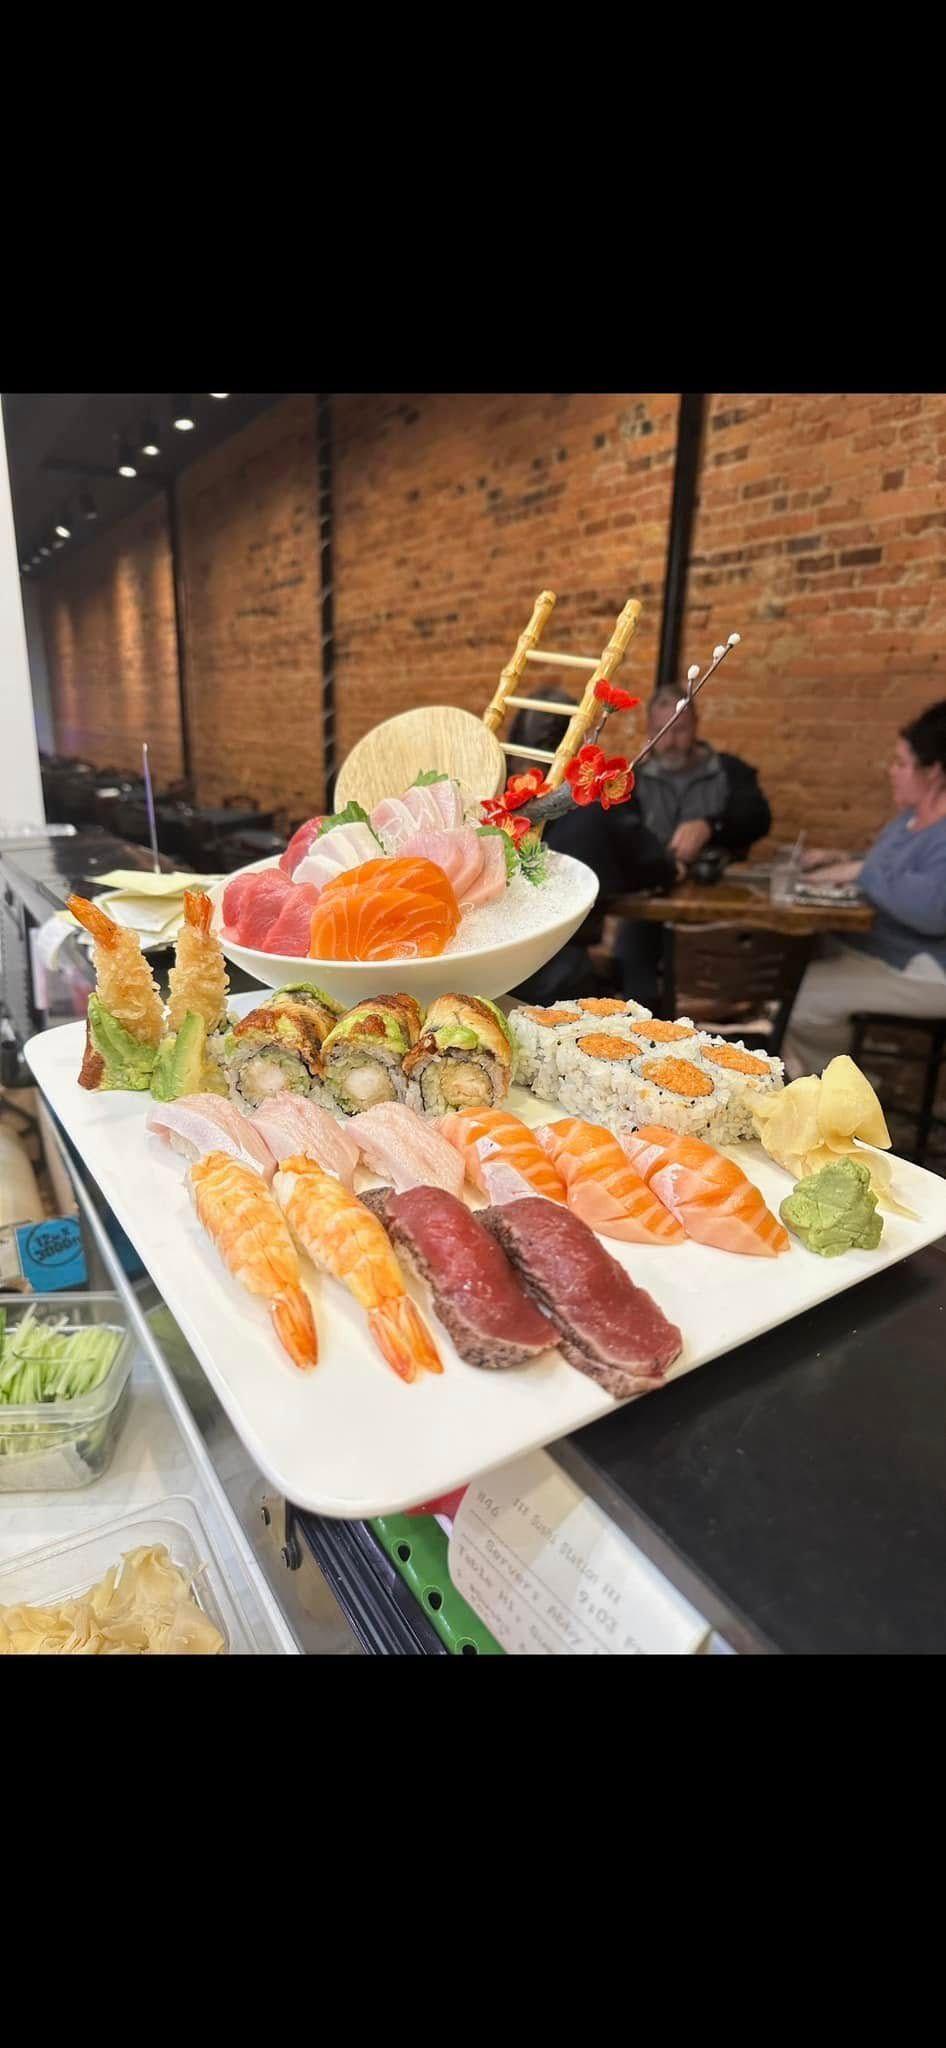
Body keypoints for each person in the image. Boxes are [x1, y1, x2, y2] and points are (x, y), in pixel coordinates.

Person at [782, 701, 946, 1075]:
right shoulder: (909, 820)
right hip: (884, 955)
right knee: (788, 976)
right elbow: (892, 870)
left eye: (901, 763)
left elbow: (933, 909)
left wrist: (861, 869)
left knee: (799, 1000)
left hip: (929, 971)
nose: (892, 772)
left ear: (934, 771)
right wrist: (842, 860)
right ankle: (839, 1084)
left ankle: (849, 1100)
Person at [616, 686, 772, 1009]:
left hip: (716, 903)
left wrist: (711, 826)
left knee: (720, 994)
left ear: (696, 725)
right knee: (635, 981)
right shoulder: (632, 778)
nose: (670, 741)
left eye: (680, 729)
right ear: (648, 729)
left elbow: (758, 818)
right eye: (661, 731)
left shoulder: (728, 770)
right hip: (650, 901)